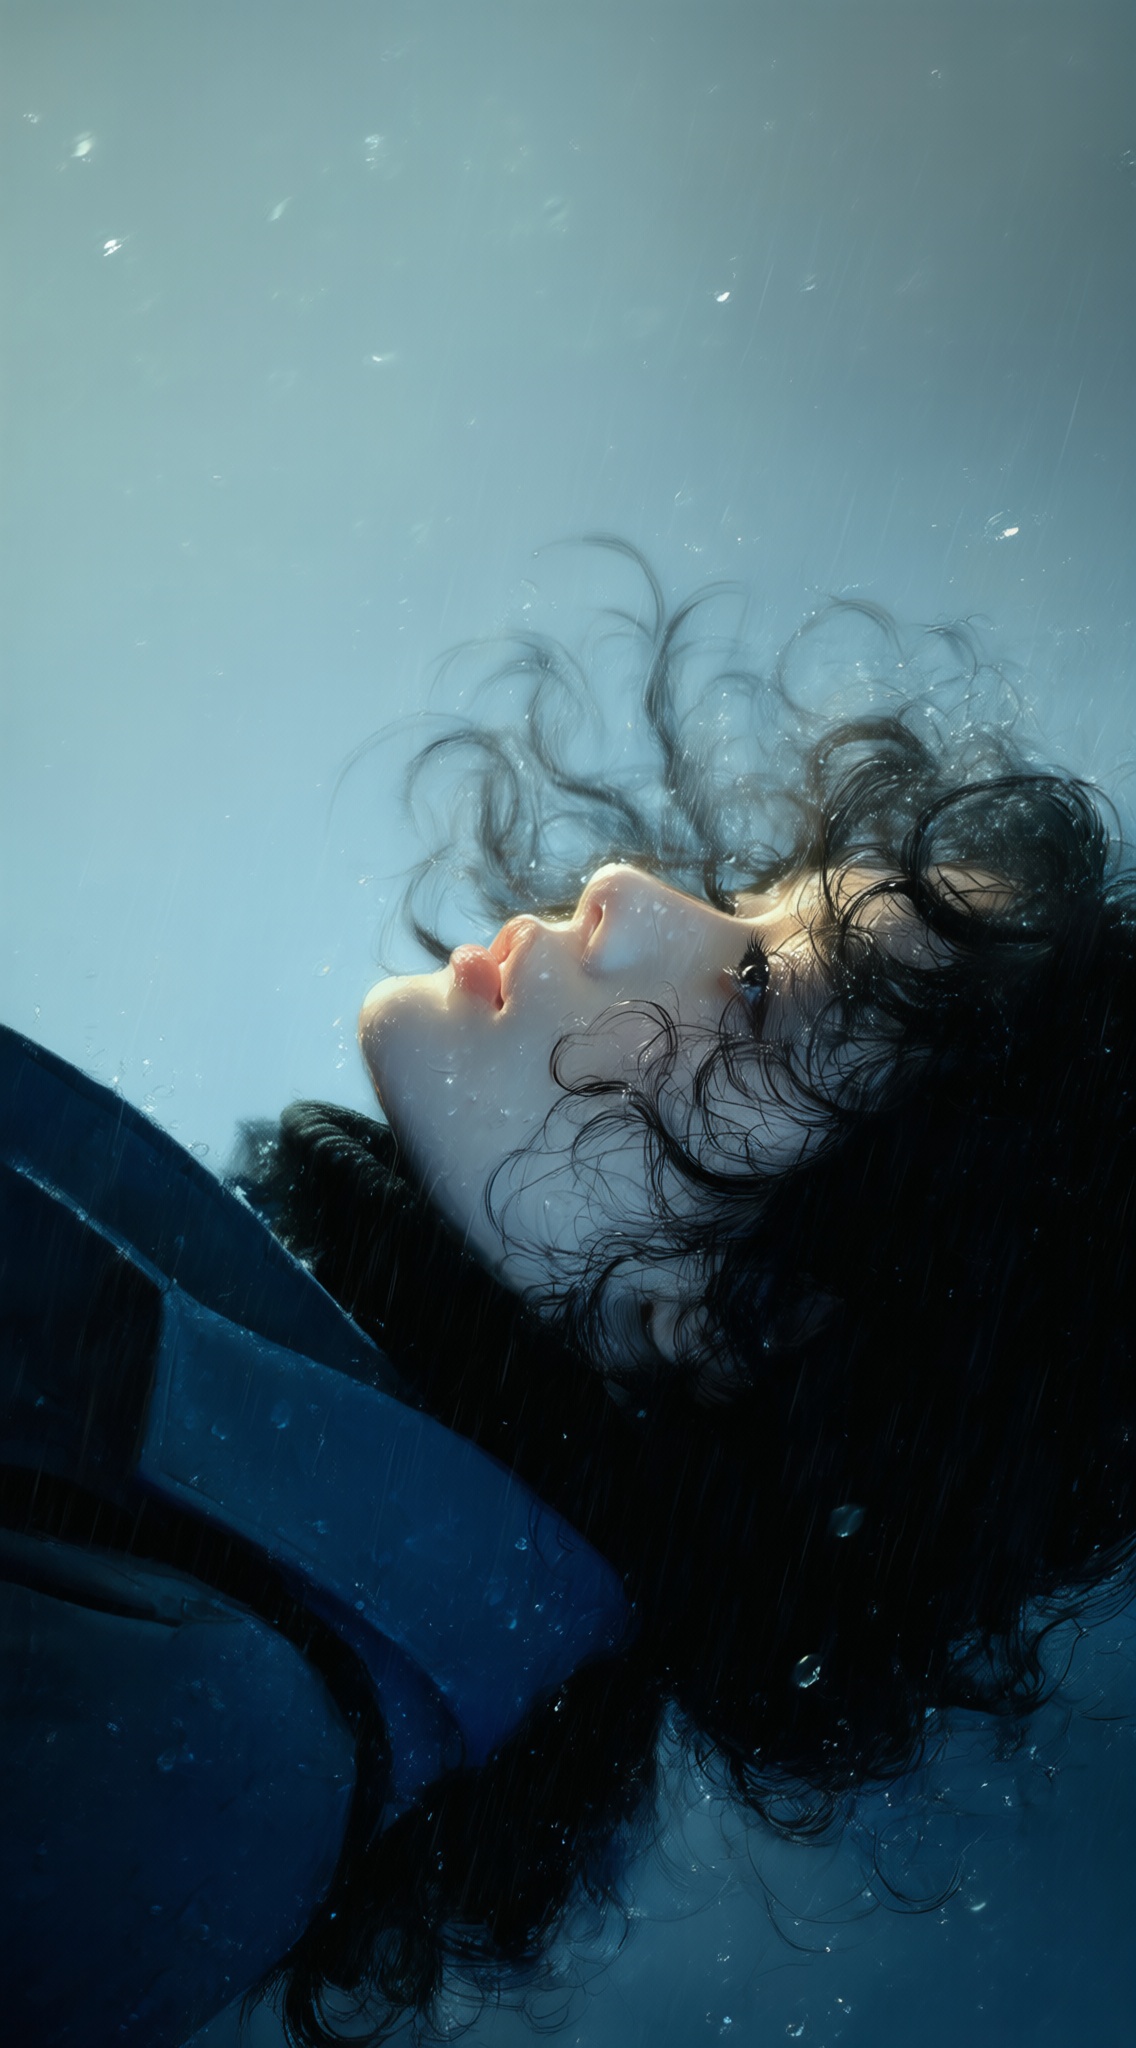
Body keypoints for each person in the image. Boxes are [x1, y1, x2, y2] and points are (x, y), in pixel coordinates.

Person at [4, 555, 1135, 2047]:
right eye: (745, 908)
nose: (624, 894)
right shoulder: (220, 1488)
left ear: (733, 1323)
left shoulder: (205, 1751)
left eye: (755, 995)